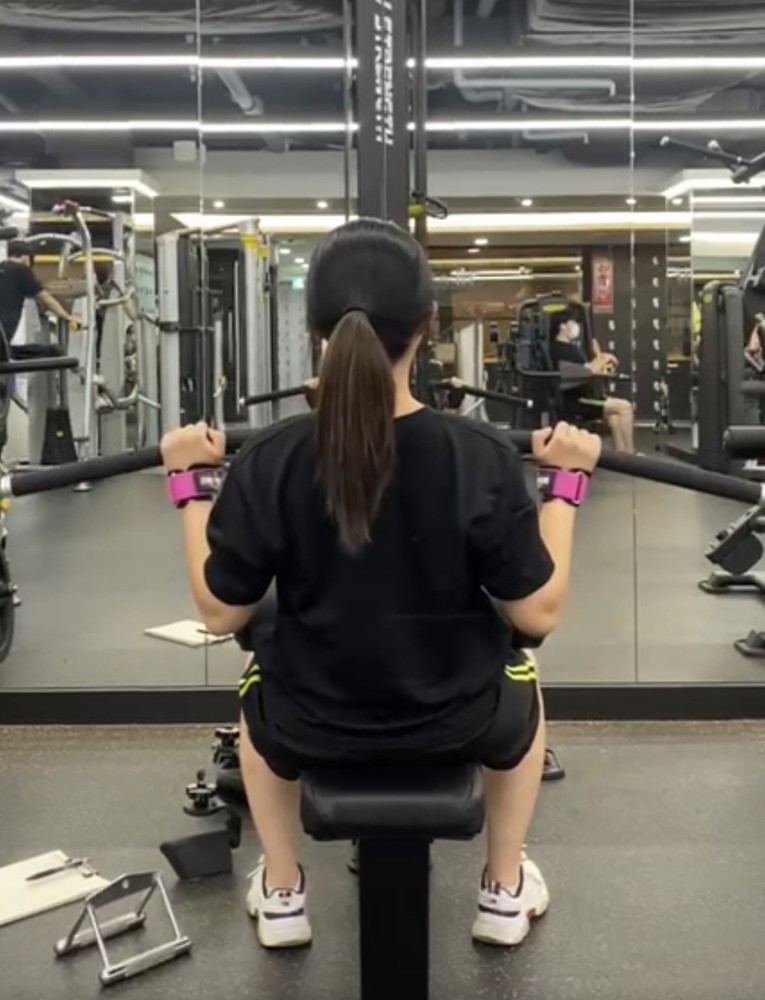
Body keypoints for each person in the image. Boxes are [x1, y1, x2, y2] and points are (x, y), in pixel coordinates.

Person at [160, 219, 601, 951]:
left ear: (316, 331)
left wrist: (189, 482)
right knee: (522, 672)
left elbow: (219, 612)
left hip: (306, 719)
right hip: (460, 716)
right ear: (426, 327)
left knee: (255, 679)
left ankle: (281, 890)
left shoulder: (272, 456)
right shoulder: (478, 454)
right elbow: (537, 613)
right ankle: (502, 888)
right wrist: (566, 484)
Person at [549, 308, 635, 454]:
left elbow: (586, 368)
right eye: (572, 322)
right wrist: (603, 358)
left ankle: (622, 456)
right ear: (562, 326)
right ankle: (632, 454)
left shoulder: (570, 348)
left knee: (615, 417)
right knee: (625, 407)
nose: (576, 326)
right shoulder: (560, 349)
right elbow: (585, 371)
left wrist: (601, 357)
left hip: (586, 395)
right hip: (578, 400)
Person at [0, 240, 80, 345]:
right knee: (52, 351)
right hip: (4, 333)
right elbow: (45, 298)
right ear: (26, 257)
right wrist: (67, 316)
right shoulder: (22, 270)